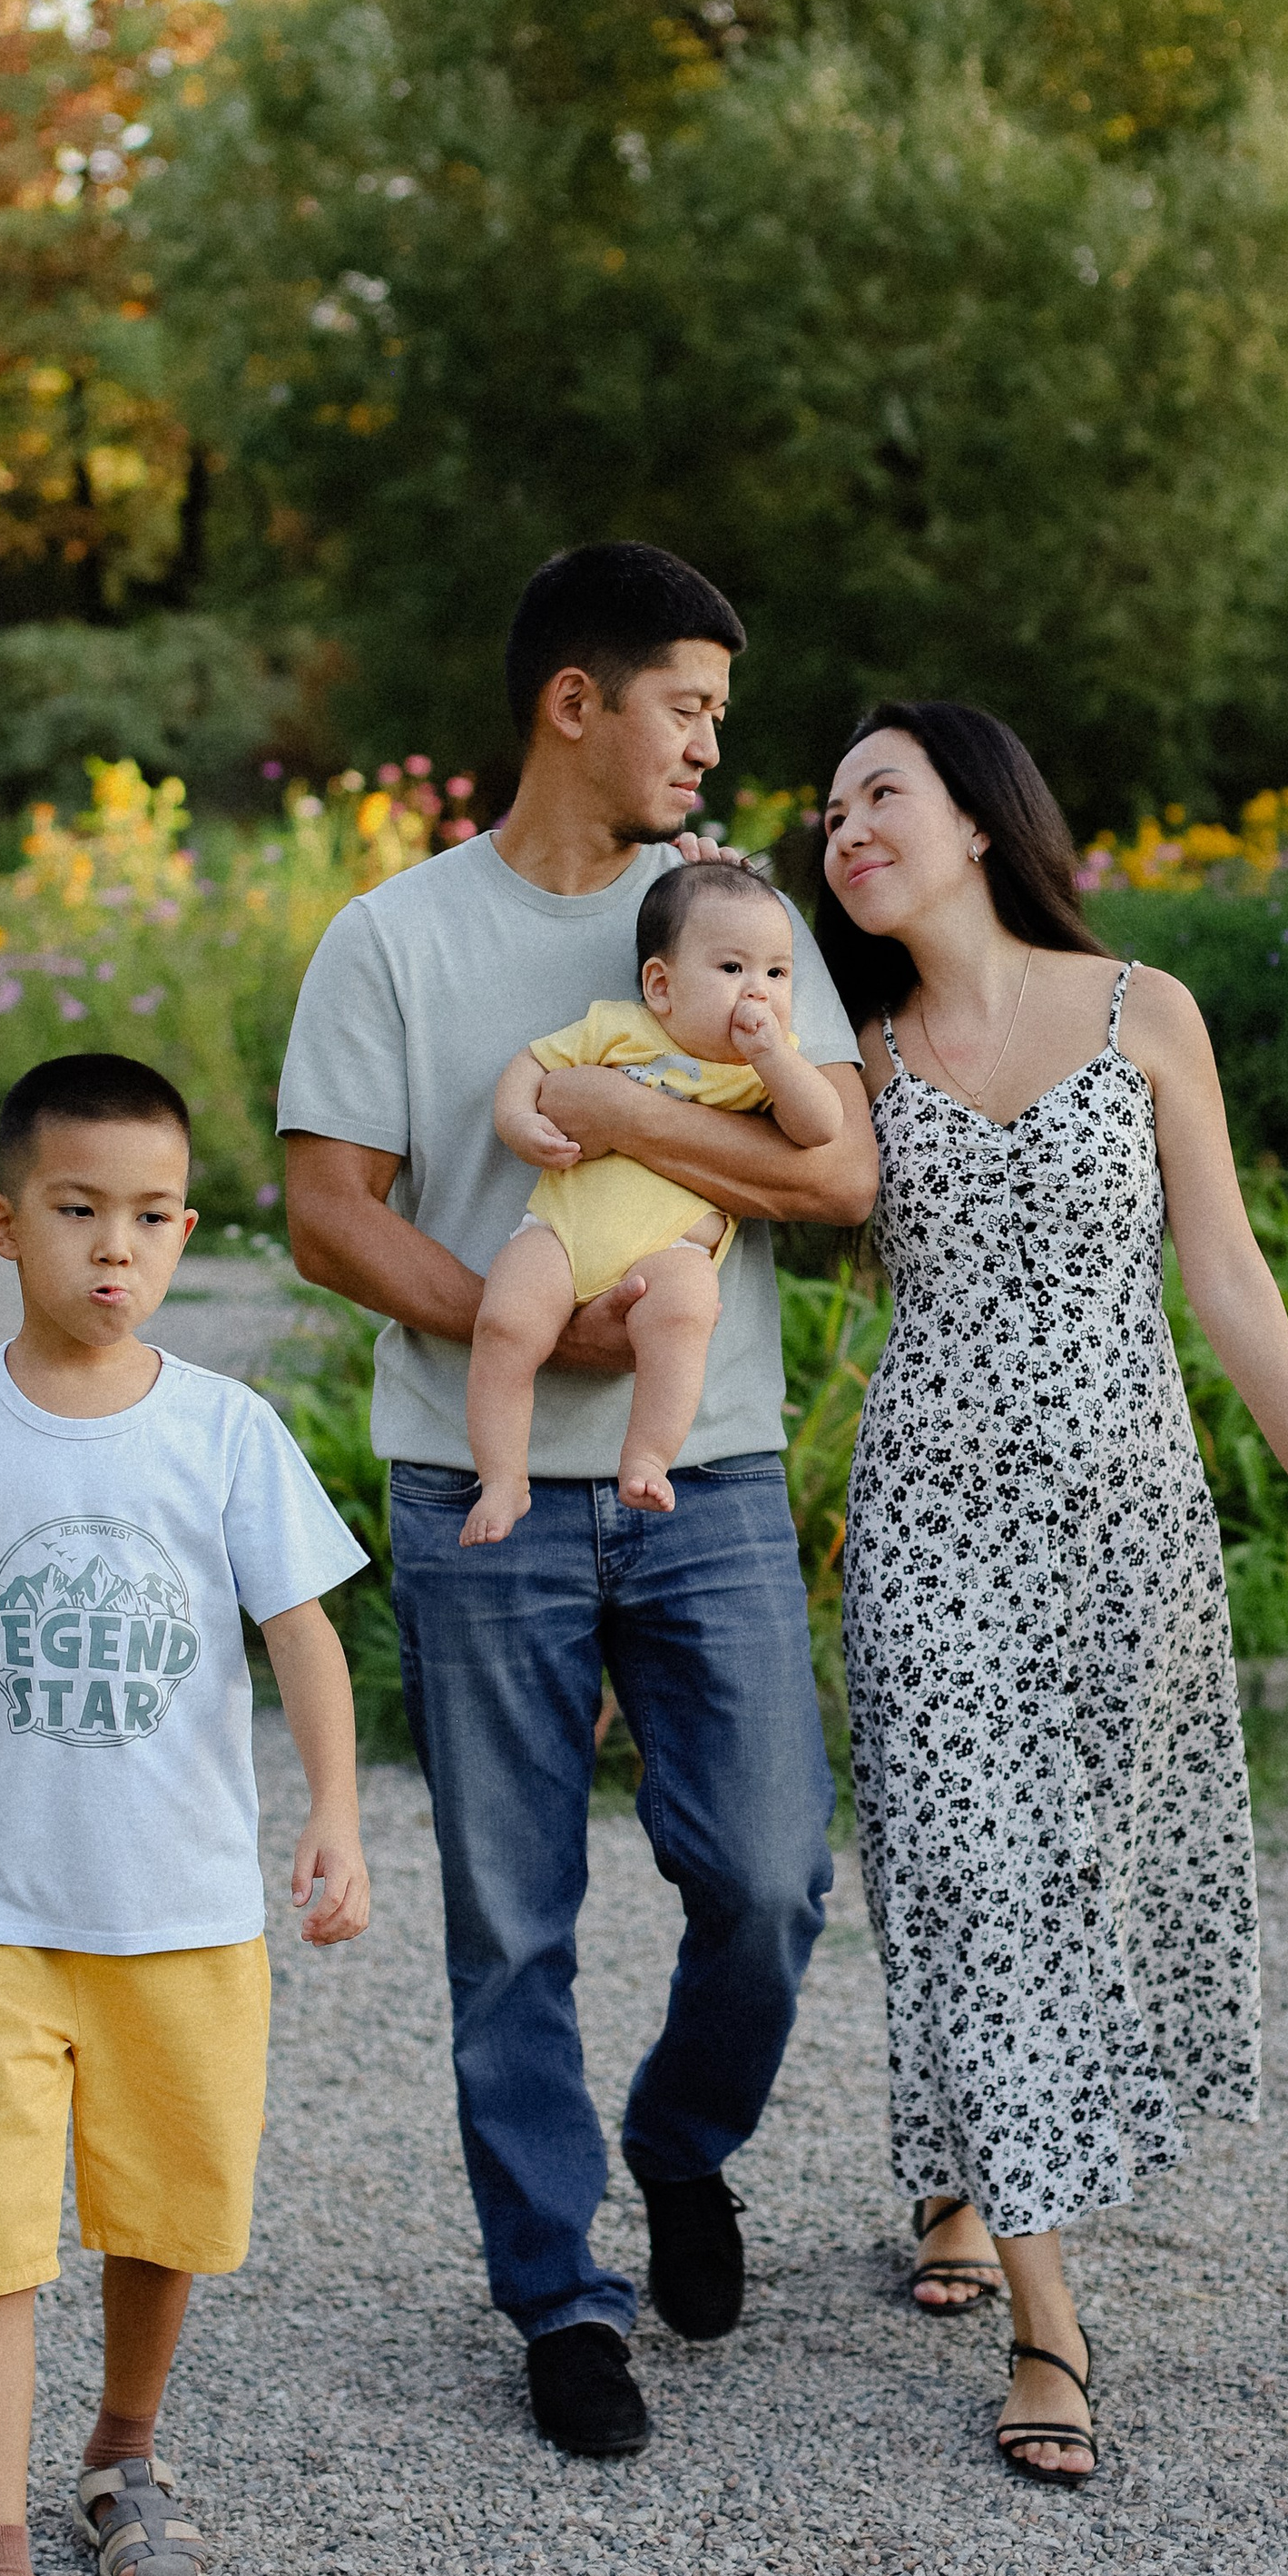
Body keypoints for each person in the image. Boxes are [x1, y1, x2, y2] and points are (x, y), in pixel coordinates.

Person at [280, 544, 876, 2459]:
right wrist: (534, 1331)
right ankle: (558, 2296)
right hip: (480, 1492)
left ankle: (680, 2144)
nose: (709, 744)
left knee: (769, 1876)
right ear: (573, 703)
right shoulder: (393, 938)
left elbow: (837, 1174)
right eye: (686, 707)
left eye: (716, 713)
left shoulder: (736, 926)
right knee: (510, 1920)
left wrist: (624, 1119)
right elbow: (326, 1213)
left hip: (706, 1476)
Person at [817, 702, 1288, 2485]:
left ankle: (962, 2169)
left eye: (879, 794)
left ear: (979, 819)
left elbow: (1224, 1268)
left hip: (1127, 1525)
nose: (844, 829)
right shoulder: (853, 1053)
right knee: (970, 1873)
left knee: (1078, 1874)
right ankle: (1047, 2324)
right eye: (826, 813)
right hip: (929, 1528)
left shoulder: (1145, 1012)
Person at [0, 1053, 371, 2576]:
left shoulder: (225, 1430)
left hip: (183, 1916)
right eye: (79, 1212)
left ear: (187, 1231)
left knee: (164, 2212)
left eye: (149, 1216)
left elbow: (302, 1631)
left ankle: (122, 2452)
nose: (114, 1247)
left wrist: (337, 1813)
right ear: (7, 1225)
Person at [465, 862, 843, 1542]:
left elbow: (820, 1126)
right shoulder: (616, 1027)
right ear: (661, 986)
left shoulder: (764, 1068)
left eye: (777, 973)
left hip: (672, 1251)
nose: (758, 990)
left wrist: (775, 1060)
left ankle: (646, 1457)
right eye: (732, 968)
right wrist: (518, 1122)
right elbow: (531, 1064)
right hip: (563, 1231)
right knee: (504, 1325)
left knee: (686, 1314)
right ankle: (502, 1478)